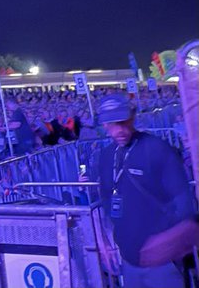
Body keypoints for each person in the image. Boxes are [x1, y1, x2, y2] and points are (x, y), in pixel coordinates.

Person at [83, 95, 193, 287]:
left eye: (124, 122)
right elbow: (105, 200)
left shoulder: (156, 148)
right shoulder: (107, 156)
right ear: (104, 125)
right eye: (113, 124)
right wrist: (103, 242)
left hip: (163, 260)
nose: (120, 130)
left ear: (133, 118)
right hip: (128, 257)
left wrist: (172, 241)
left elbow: (184, 199)